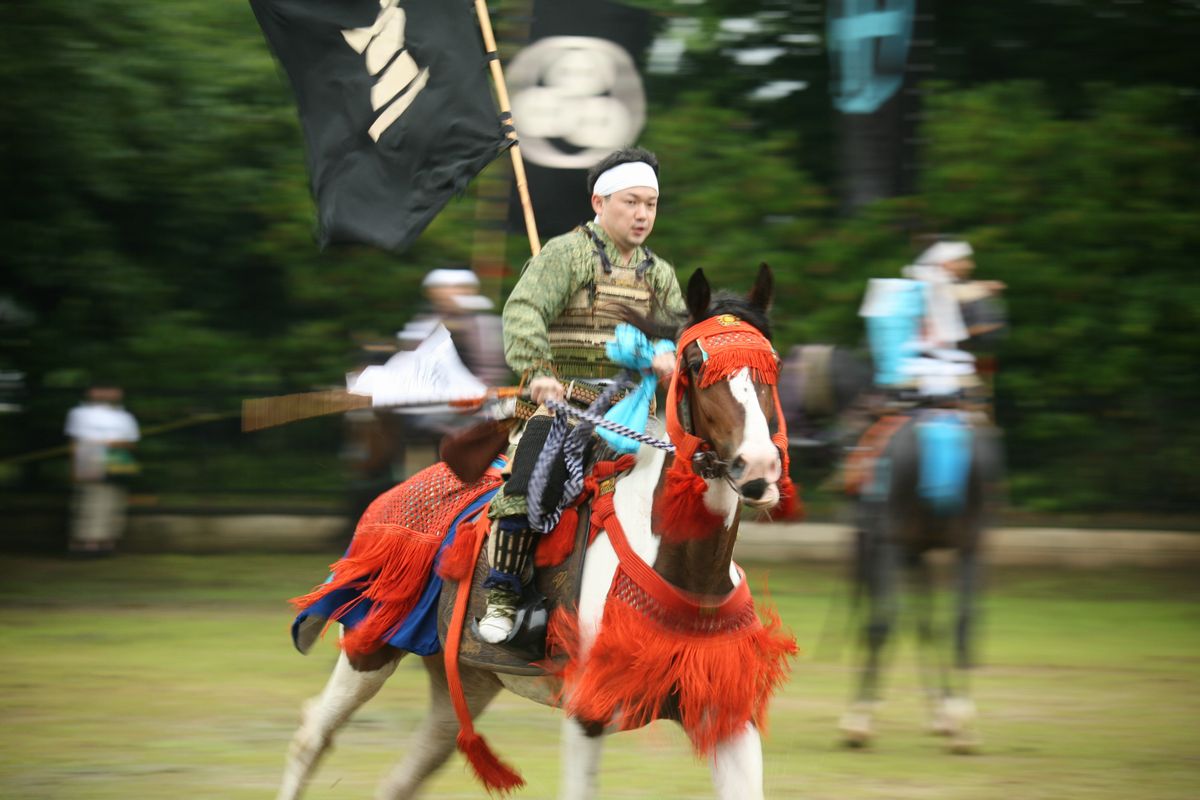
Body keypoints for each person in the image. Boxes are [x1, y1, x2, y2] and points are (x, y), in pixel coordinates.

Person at [477, 146, 686, 643]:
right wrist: (537, 370)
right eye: (631, 202)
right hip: (563, 406)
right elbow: (524, 309)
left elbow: (682, 332)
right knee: (531, 482)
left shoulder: (660, 274)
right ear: (599, 201)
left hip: (636, 419)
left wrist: (671, 357)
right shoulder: (566, 254)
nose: (642, 215)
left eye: (650, 205)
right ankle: (503, 594)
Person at [64, 383, 140, 556]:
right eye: (102, 388)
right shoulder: (79, 413)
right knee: (89, 499)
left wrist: (111, 445)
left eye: (112, 389)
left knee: (114, 498)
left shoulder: (125, 416)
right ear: (91, 391)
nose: (108, 393)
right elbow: (76, 442)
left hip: (119, 457)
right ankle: (84, 542)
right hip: (89, 455)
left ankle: (106, 541)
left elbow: (131, 443)